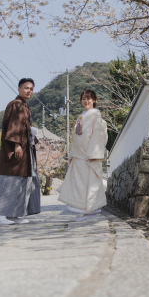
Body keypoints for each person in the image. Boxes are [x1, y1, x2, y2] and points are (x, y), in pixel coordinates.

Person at [0, 78, 41, 225]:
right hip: (14, 149)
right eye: (26, 88)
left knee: (22, 182)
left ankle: (14, 215)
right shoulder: (15, 105)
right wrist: (17, 144)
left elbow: (23, 127)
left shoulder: (24, 106)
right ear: (19, 89)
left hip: (25, 150)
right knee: (9, 180)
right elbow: (13, 126)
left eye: (31, 89)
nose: (29, 91)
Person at [59, 89, 108, 221]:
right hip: (79, 155)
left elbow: (98, 134)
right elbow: (76, 137)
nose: (86, 101)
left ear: (94, 100)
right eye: (83, 98)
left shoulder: (95, 116)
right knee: (79, 185)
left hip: (88, 156)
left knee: (89, 184)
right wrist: (72, 154)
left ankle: (91, 212)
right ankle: (85, 211)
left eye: (88, 98)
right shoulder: (81, 116)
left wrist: (93, 154)